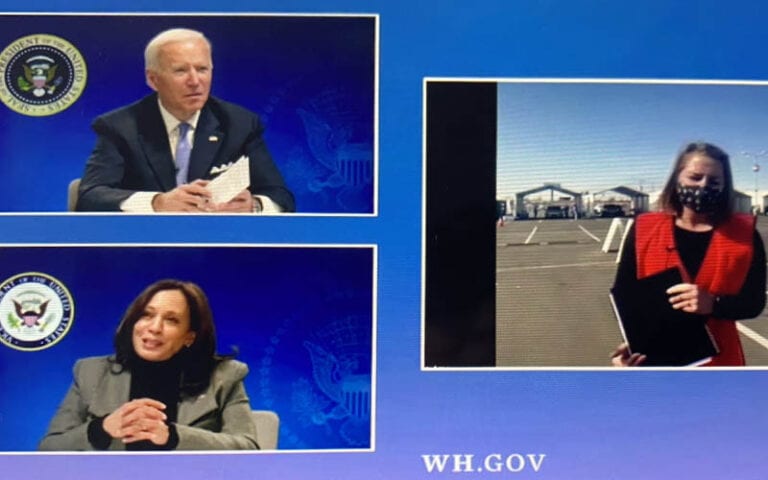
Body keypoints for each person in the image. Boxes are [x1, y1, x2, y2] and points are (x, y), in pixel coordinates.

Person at [76, 28, 294, 213]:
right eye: (180, 71)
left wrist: (253, 205)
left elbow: (281, 197)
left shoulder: (240, 124)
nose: (195, 81)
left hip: (217, 242)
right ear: (153, 79)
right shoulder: (120, 127)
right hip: (147, 242)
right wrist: (157, 203)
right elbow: (90, 196)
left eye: (202, 69)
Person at [39, 280, 260, 450]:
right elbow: (48, 448)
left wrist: (173, 437)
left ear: (189, 337)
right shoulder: (91, 373)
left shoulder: (224, 377)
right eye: (146, 315)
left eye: (171, 320)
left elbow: (248, 448)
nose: (154, 328)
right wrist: (101, 429)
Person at [611, 142, 766, 367]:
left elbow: (754, 303)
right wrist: (633, 343)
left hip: (720, 363)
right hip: (657, 357)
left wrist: (714, 304)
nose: (703, 186)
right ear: (677, 178)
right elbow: (624, 296)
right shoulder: (643, 229)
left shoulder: (745, 235)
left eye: (714, 181)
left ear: (725, 187)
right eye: (695, 177)